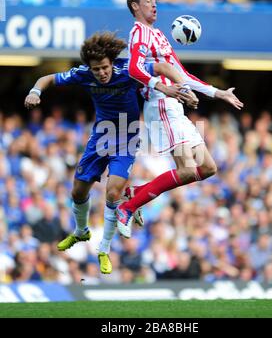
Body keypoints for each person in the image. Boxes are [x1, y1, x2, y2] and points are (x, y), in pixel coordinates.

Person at [24, 31, 195, 274]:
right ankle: (81, 231)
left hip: (127, 137)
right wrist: (35, 92)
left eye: (105, 67)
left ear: (111, 63)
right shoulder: (83, 74)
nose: (101, 73)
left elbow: (164, 66)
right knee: (78, 189)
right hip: (100, 138)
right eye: (96, 70)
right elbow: (46, 78)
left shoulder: (128, 69)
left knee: (112, 191)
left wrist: (183, 87)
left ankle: (103, 249)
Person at [116, 0, 244, 238]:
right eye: (149, 0)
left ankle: (136, 193)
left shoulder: (160, 35)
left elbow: (181, 73)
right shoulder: (138, 33)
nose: (154, 4)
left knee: (208, 168)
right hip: (161, 104)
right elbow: (133, 69)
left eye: (155, 0)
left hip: (175, 104)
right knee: (186, 168)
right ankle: (128, 207)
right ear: (135, 6)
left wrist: (217, 93)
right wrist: (162, 88)